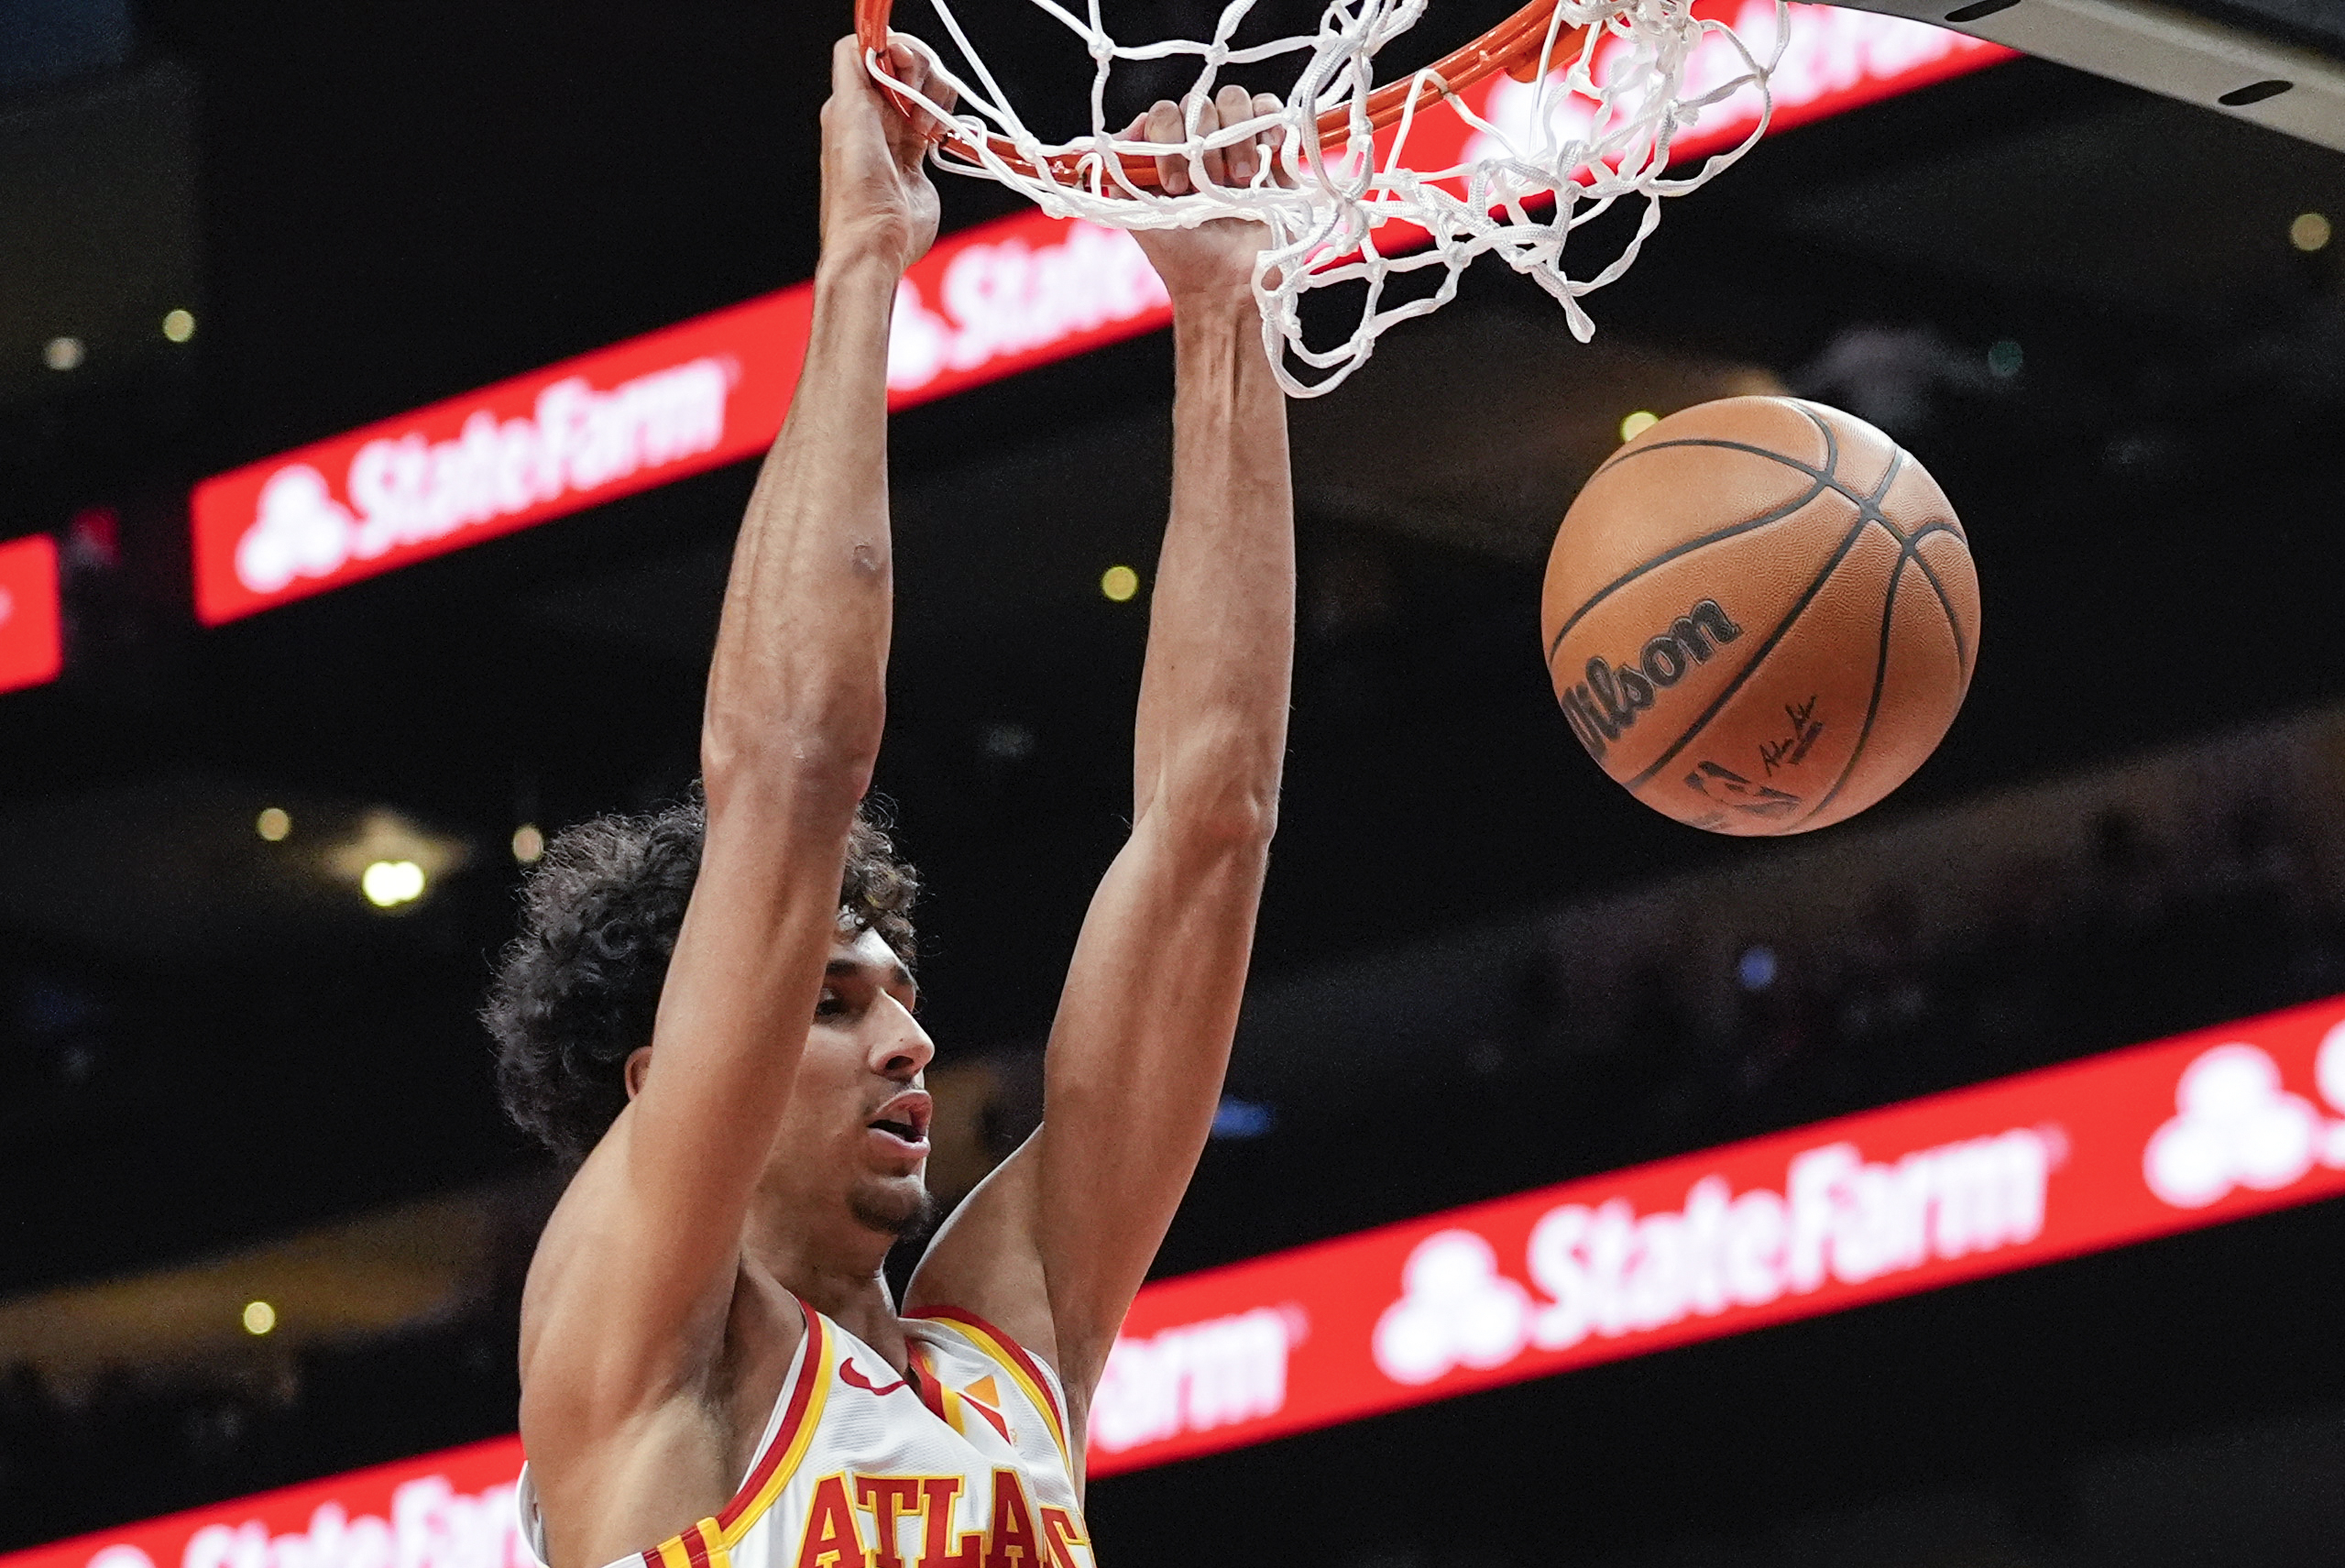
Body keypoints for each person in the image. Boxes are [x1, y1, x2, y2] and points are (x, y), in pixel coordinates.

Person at [481, 36, 1293, 1568]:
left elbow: (1212, 826)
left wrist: (1220, 312)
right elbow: (789, 779)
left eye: (897, 994)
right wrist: (862, 262)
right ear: (667, 1075)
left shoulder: (1007, 1344)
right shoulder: (649, 1352)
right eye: (836, 1001)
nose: (913, 1038)